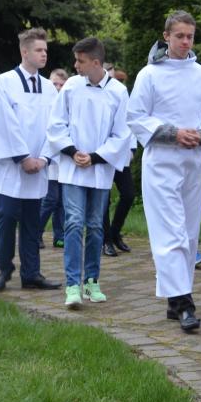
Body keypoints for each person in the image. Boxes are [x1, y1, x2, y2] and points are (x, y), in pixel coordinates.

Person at [126, 10, 201, 333]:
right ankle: (183, 303)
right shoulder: (149, 75)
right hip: (162, 163)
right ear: (166, 36)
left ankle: (174, 297)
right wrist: (173, 133)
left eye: (190, 36)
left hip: (193, 162)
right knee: (171, 233)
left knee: (190, 234)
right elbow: (136, 115)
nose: (185, 42)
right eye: (179, 36)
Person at [48, 37, 132, 308]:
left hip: (100, 169)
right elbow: (56, 124)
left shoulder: (118, 91)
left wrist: (95, 157)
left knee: (95, 225)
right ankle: (72, 284)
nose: (75, 65)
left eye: (80, 61)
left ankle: (91, 280)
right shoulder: (72, 86)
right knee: (73, 222)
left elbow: (122, 133)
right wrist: (73, 152)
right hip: (73, 168)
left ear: (96, 63)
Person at [0, 29, 61, 292]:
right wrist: (23, 157)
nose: (44, 54)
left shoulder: (49, 88)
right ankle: (4, 269)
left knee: (32, 221)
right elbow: (4, 123)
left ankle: (31, 273)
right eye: (39, 50)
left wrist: (44, 158)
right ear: (24, 52)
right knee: (7, 217)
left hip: (38, 166)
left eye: (45, 50)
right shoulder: (5, 82)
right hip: (11, 166)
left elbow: (56, 125)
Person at [100, 62, 137, 258]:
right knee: (103, 200)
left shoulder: (121, 93)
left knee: (128, 194)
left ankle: (115, 232)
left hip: (120, 154)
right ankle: (105, 240)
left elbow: (129, 121)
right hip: (101, 154)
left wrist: (132, 148)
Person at [38, 65, 67, 251]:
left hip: (63, 158)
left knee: (62, 201)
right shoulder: (44, 102)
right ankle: (36, 232)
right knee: (50, 199)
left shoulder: (67, 103)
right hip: (48, 157)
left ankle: (60, 236)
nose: (57, 87)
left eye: (61, 84)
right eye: (54, 83)